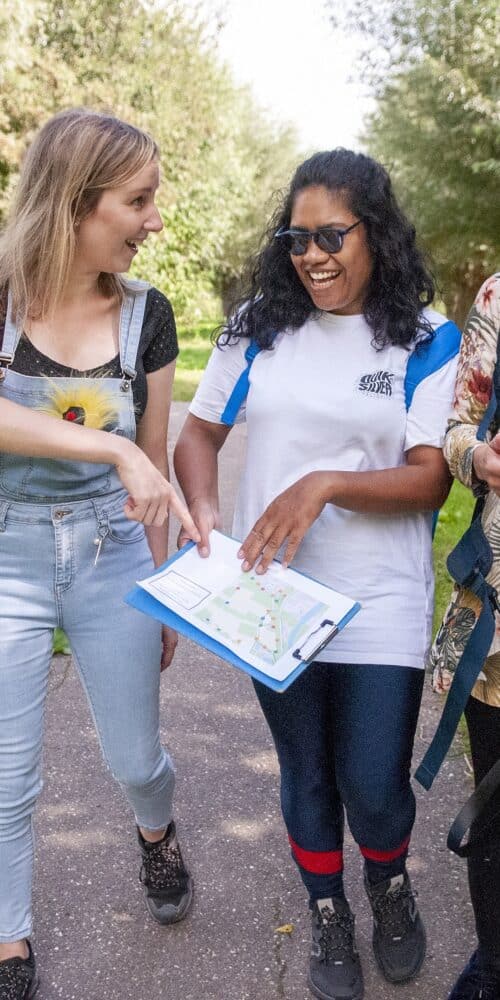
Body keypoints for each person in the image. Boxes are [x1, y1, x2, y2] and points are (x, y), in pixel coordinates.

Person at [174, 149, 460, 1000]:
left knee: (372, 781)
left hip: (380, 597)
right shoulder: (257, 325)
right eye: (296, 239)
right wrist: (204, 509)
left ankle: (389, 883)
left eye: (331, 236)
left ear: (376, 233)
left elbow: (429, 479)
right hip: (271, 596)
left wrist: (325, 483)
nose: (312, 256)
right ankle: (327, 908)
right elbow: (199, 434)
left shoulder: (425, 336)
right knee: (304, 769)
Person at [0, 108, 201, 1000]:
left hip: (114, 551)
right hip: (6, 554)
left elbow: (151, 465)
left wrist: (165, 590)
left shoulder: (148, 314)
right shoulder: (2, 293)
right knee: (8, 775)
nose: (154, 219)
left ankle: (156, 834)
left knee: (135, 759)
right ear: (76, 202)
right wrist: (107, 448)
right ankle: (9, 939)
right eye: (139, 200)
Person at [434, 273, 500, 1000]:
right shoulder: (497, 299)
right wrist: (479, 458)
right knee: (494, 815)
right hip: (497, 628)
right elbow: (458, 430)